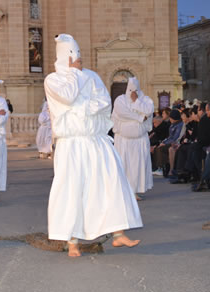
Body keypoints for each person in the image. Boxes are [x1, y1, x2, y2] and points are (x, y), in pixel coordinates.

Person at [44, 34, 142, 257]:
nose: (77, 59)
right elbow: (67, 98)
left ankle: (118, 233)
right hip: (72, 142)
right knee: (73, 189)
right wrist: (74, 74)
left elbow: (104, 102)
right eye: (72, 55)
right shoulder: (53, 80)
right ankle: (72, 241)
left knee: (112, 182)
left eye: (78, 55)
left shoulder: (92, 76)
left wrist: (83, 107)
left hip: (96, 139)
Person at [112, 77, 154, 200]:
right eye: (131, 90)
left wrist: (136, 102)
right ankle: (123, 192)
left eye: (135, 90)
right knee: (123, 166)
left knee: (136, 167)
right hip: (123, 140)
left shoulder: (145, 100)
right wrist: (140, 118)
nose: (133, 93)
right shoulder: (120, 100)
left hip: (139, 140)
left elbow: (149, 111)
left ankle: (134, 191)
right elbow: (121, 114)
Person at [151, 109, 185, 177]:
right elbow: (169, 137)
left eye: (171, 118)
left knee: (163, 148)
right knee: (159, 147)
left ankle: (163, 168)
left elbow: (176, 137)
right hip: (171, 142)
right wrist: (163, 142)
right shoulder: (172, 125)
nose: (170, 119)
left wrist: (165, 143)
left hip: (176, 142)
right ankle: (161, 167)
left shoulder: (180, 125)